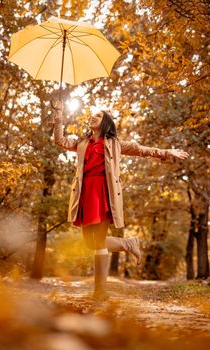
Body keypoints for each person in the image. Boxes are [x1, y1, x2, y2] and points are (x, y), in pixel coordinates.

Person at [51, 99, 189, 301]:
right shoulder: (82, 142)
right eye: (92, 115)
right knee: (89, 243)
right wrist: (58, 114)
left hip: (103, 193)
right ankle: (127, 243)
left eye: (97, 115)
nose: (92, 117)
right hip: (84, 193)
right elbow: (60, 140)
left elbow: (142, 149)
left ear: (106, 122)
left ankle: (100, 293)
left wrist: (167, 152)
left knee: (98, 242)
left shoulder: (115, 144)